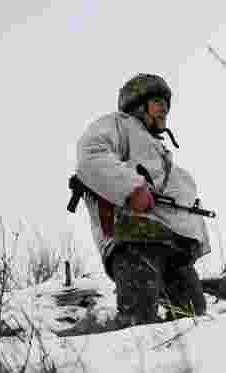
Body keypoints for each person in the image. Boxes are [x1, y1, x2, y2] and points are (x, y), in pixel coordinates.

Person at [76, 73, 211, 326]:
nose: (165, 109)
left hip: (175, 247)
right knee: (139, 326)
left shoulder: (158, 149)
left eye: (167, 104)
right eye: (158, 102)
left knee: (193, 322)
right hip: (134, 241)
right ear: (138, 105)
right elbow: (91, 156)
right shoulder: (117, 125)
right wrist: (132, 188)